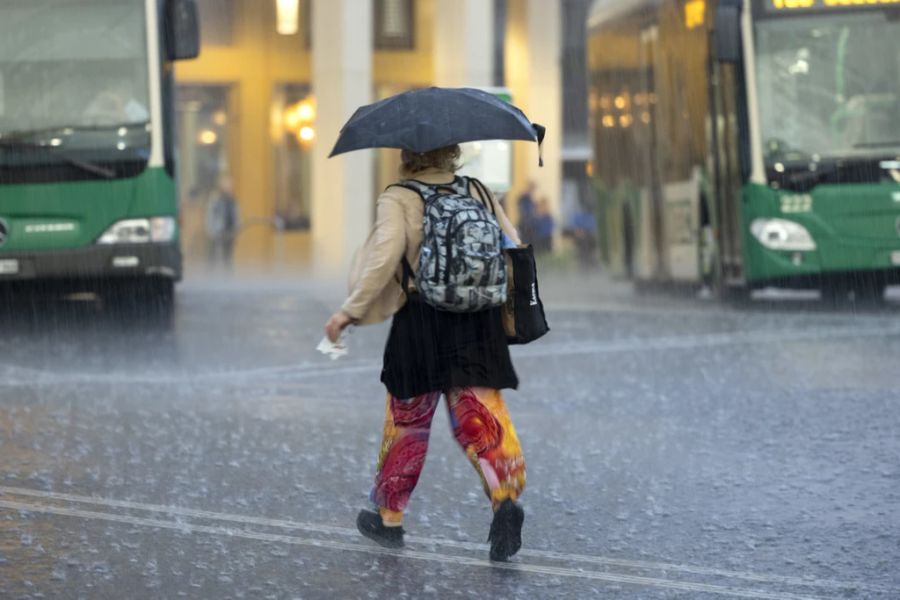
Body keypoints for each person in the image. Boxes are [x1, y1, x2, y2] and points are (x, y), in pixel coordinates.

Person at [324, 145, 527, 562]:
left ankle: (389, 518)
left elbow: (383, 260)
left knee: (408, 421)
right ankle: (505, 497)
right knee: (482, 414)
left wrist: (350, 311)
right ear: (451, 152)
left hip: (421, 320)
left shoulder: (399, 196)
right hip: (477, 320)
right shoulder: (479, 191)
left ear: (407, 154)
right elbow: (513, 245)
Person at [205, 176, 240, 271]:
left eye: (230, 186)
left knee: (227, 256)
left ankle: (227, 274)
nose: (229, 188)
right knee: (213, 255)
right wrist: (211, 231)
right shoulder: (216, 200)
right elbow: (210, 216)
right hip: (217, 231)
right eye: (227, 186)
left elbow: (236, 216)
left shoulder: (233, 201)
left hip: (229, 232)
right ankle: (211, 273)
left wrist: (236, 232)